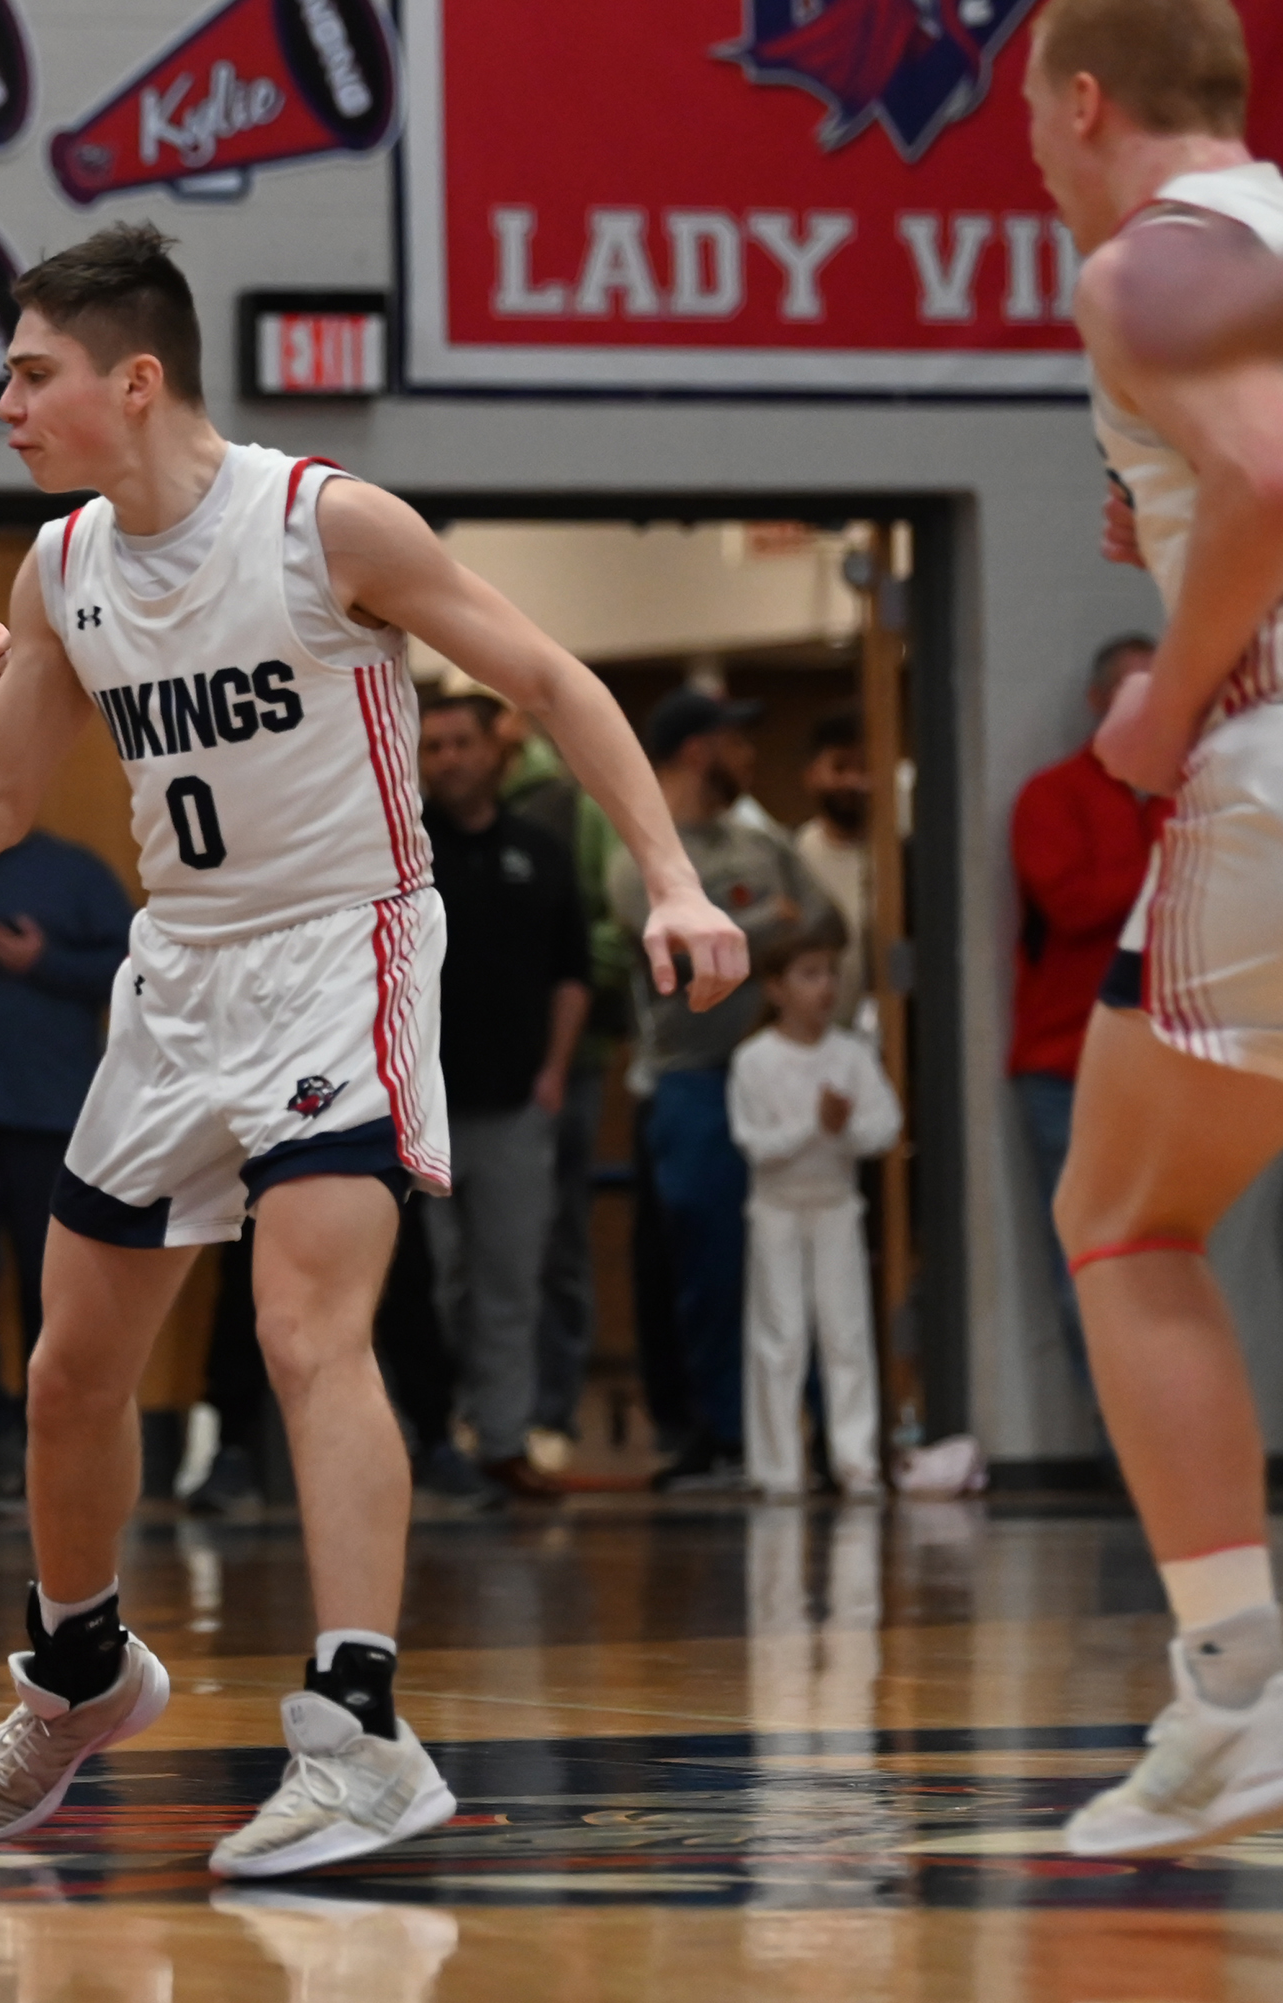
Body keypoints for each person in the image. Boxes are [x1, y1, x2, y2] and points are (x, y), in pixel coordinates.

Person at [0, 223, 743, 1874]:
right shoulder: (62, 564)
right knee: (71, 1364)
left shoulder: (321, 520)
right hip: (180, 974)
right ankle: (79, 1670)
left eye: (32, 375)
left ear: (131, 379)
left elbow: (549, 677)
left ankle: (358, 1724)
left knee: (306, 1323)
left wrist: (670, 874)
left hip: (342, 949)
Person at [1021, 0, 1283, 1856]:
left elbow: (1266, 477)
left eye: (1032, 110)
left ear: (1085, 97)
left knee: (1122, 1214)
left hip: (1270, 758)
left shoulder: (1150, 261)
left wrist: (1161, 699)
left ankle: (1240, 1683)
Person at [610, 688, 831, 1491]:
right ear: (699, 749)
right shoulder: (644, 852)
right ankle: (716, 1435)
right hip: (691, 1081)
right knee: (704, 1265)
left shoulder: (760, 842)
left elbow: (824, 921)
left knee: (790, 1255)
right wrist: (765, 919)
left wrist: (744, 918)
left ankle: (812, 1431)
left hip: (772, 1070)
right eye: (736, 744)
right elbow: (679, 950)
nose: (748, 758)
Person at [415, 692, 591, 1502]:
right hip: (420, 1105)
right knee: (432, 1283)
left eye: (460, 743)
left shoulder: (542, 851)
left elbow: (573, 973)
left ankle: (505, 1439)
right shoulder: (403, 853)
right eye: (434, 746)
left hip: (518, 1104)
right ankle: (429, 1436)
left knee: (511, 1280)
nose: (448, 758)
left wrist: (555, 1070)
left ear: (497, 750)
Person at [0, 829, 134, 1516]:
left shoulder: (75, 870)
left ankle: (49, 1439)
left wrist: (43, 960)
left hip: (54, 1115)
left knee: (53, 1284)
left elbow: (137, 966)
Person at [1009, 635, 1169, 1402]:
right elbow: (1070, 904)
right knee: (1085, 1259)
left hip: (1171, 1063)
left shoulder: (1195, 793)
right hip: (1062, 1064)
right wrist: (1165, 862)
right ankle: (1121, 1452)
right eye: (1134, 690)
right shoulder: (1053, 796)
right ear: (1100, 702)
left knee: (1167, 1256)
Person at [728, 916, 900, 1501]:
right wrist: (815, 1125)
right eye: (808, 975)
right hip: (777, 1212)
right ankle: (778, 1468)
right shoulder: (754, 1060)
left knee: (846, 1335)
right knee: (780, 1339)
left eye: (829, 974)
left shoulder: (849, 1055)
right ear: (775, 989)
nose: (824, 987)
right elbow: (755, 1144)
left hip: (835, 1209)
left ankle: (856, 1462)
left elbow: (884, 1127)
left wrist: (843, 1129)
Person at [502, 718, 630, 1451]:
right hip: (472, 1067)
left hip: (571, 1059)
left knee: (557, 1244)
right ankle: (517, 1416)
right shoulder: (425, 809)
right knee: (488, 1255)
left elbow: (608, 935)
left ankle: (550, 1410)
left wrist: (555, 980)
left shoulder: (579, 809)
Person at [792, 708, 875, 1026]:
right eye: (840, 767)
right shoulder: (795, 857)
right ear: (811, 775)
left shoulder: (898, 859)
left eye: (864, 768)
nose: (853, 781)